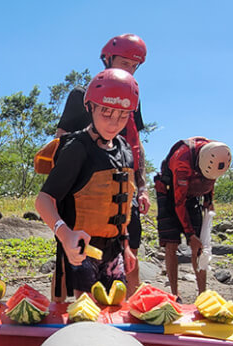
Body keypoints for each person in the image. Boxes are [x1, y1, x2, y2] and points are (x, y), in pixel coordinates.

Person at [55, 33, 149, 295]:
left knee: (128, 253)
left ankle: (130, 312)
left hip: (122, 184)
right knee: (71, 261)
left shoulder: (133, 98)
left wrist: (141, 186)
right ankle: (64, 317)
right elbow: (60, 141)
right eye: (124, 63)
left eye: (134, 66)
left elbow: (135, 143)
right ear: (107, 60)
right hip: (85, 190)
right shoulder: (82, 95)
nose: (129, 70)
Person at [36, 68, 139, 301]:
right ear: (90, 107)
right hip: (80, 253)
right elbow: (43, 200)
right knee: (83, 318)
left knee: (113, 312)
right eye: (107, 112)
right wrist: (64, 234)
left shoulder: (124, 149)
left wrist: (126, 246)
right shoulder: (76, 148)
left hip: (114, 252)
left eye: (122, 116)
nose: (114, 123)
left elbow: (121, 202)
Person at [153, 137, 231, 301]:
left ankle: (202, 294)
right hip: (169, 194)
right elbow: (179, 203)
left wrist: (209, 201)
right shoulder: (182, 160)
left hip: (193, 195)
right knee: (171, 244)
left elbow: (212, 178)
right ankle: (175, 294)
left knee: (200, 247)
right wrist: (190, 235)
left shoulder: (218, 152)